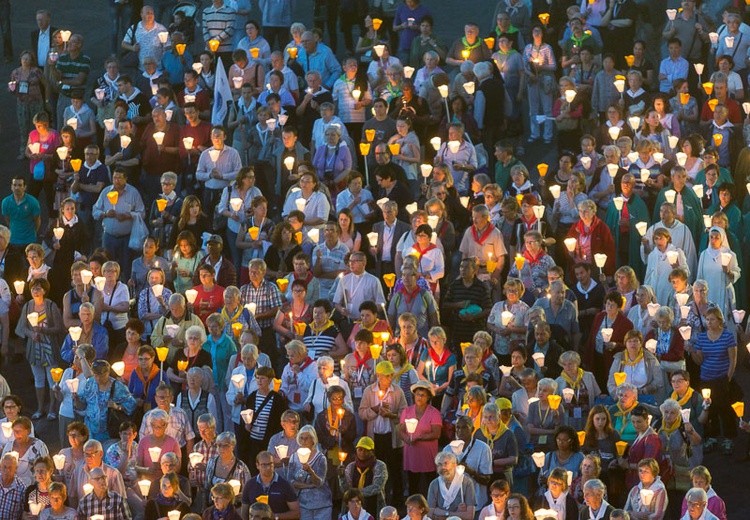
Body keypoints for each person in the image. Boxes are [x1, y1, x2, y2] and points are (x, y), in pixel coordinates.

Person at [426, 451, 476, 520]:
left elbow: (469, 516)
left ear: (455, 465)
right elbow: (430, 513)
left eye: (446, 463)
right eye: (439, 464)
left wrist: (442, 514)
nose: (443, 467)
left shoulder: (466, 482)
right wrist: (457, 514)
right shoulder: (434, 484)